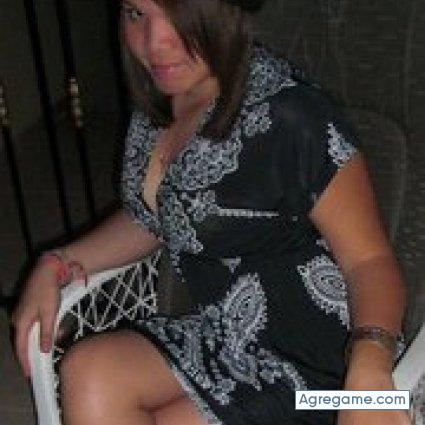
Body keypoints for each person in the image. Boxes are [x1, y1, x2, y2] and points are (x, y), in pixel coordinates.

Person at [10, 0, 412, 424]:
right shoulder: (161, 105)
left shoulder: (292, 115)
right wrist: (58, 263)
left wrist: (369, 370)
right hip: (228, 339)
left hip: (327, 374)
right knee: (90, 373)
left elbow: (369, 261)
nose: (154, 43)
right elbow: (157, 217)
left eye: (177, 12)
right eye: (136, 14)